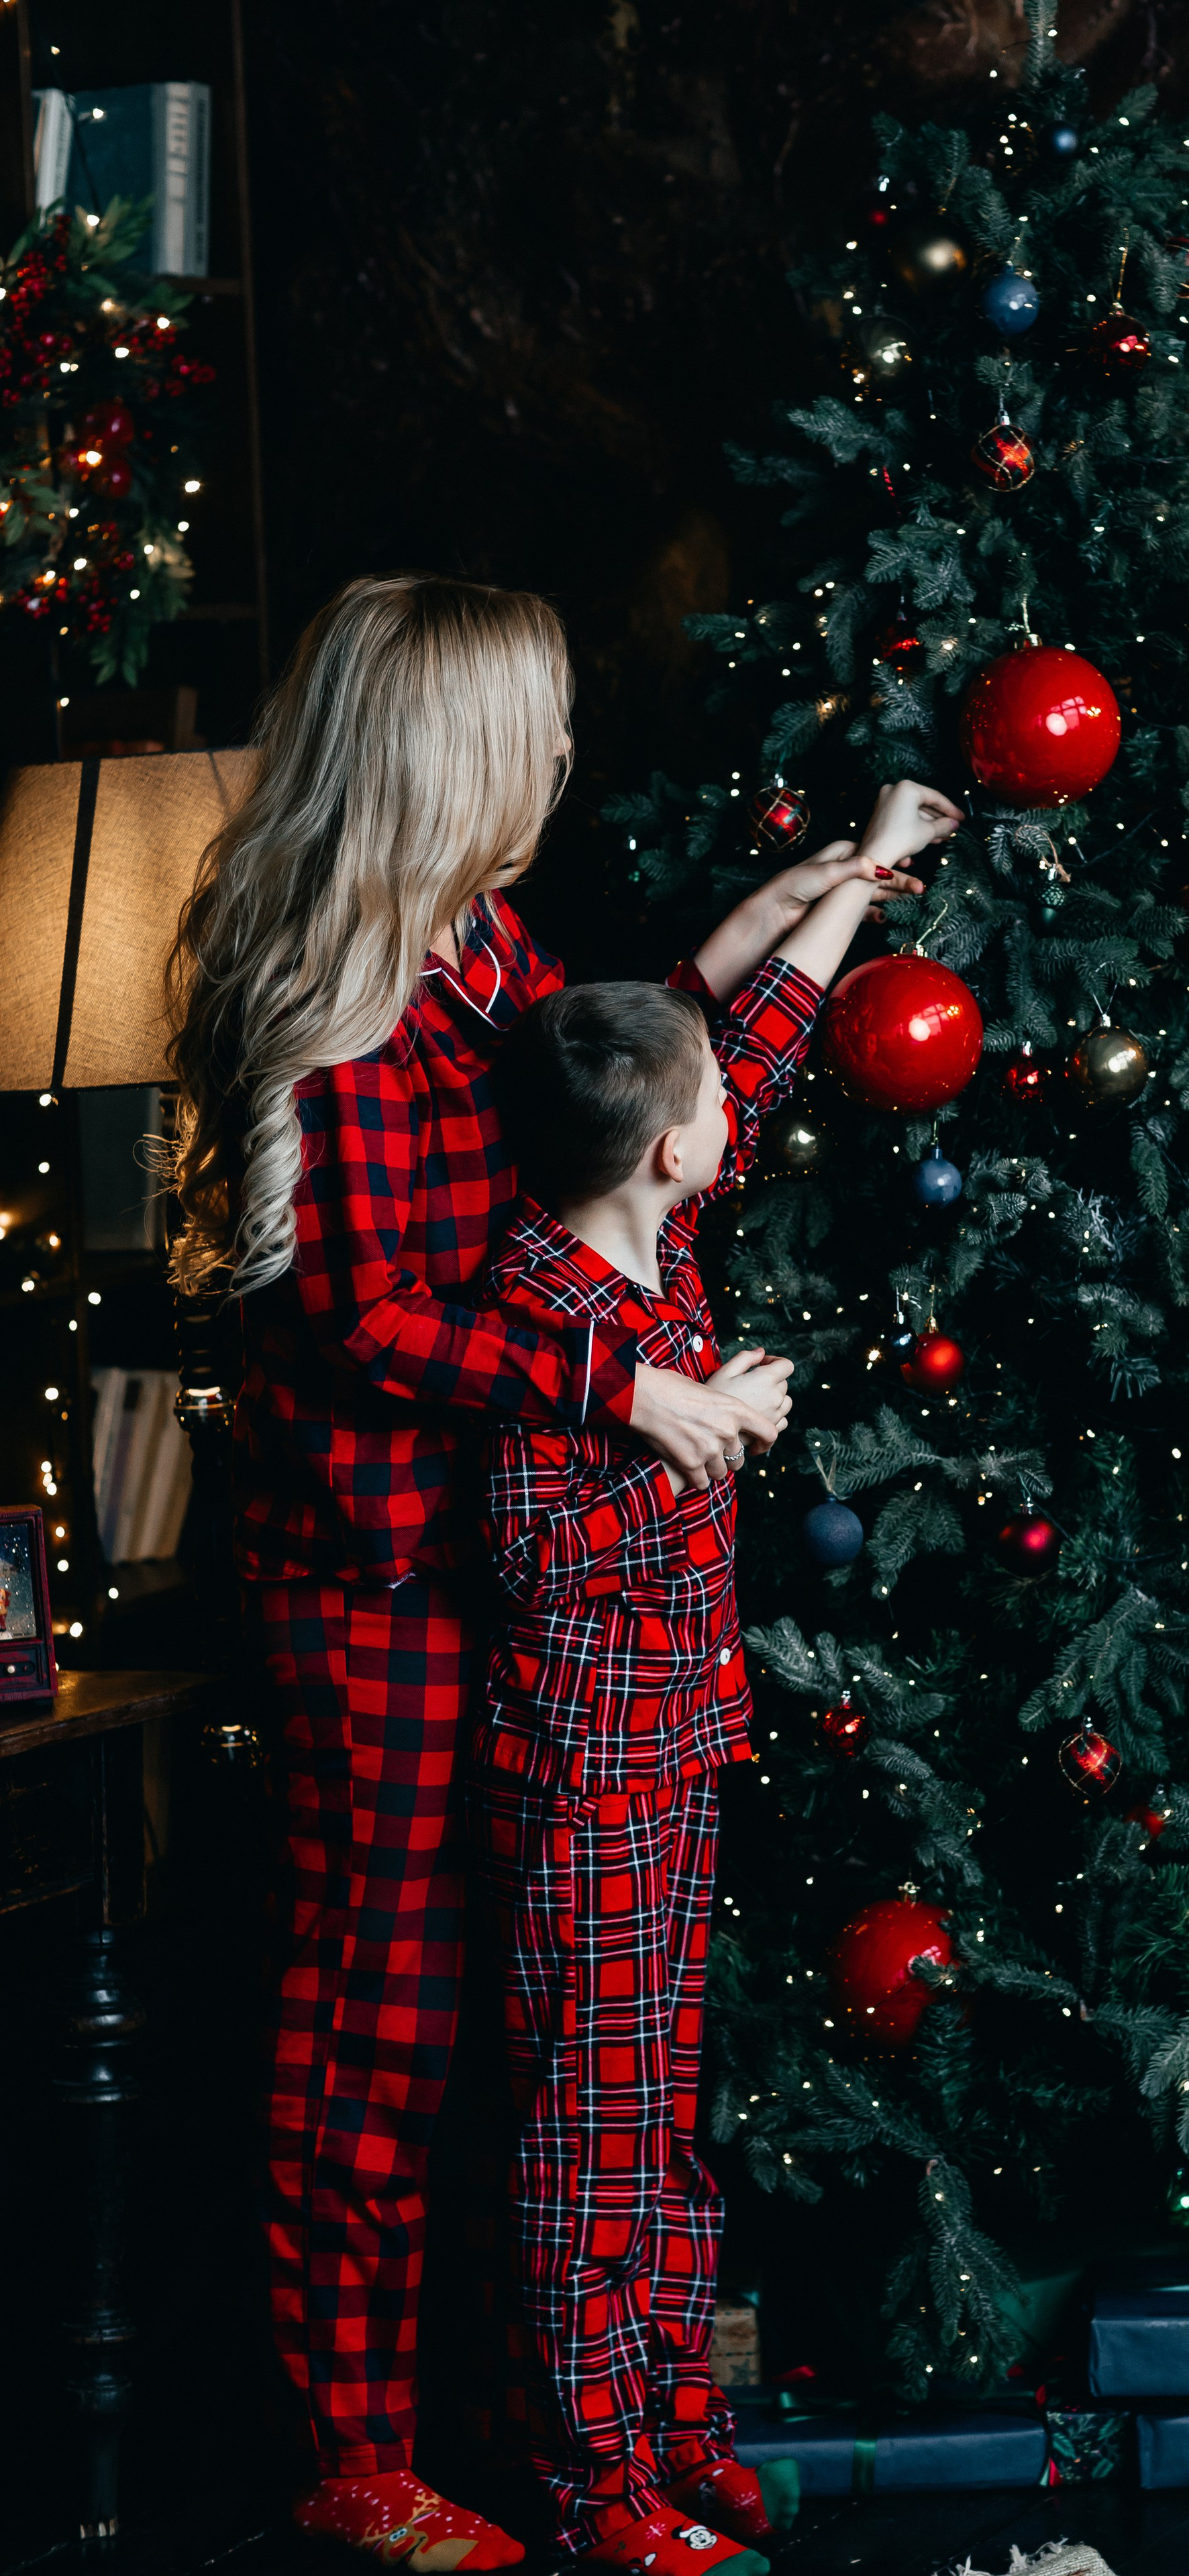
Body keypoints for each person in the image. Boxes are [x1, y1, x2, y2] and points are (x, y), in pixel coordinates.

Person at [165, 568, 953, 2571]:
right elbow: (367, 1315)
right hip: (378, 1585)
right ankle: (358, 2458)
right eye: (540, 736)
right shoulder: (323, 1005)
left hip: (528, 1578)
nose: (566, 766)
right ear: (450, 761)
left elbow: (612, 1107)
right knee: (385, 2014)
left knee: (564, 2034)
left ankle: (571, 2435)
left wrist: (793, 913)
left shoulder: (491, 941)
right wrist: (630, 1389)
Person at [472, 781, 959, 2575]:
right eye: (716, 1117)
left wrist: (865, 877)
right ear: (671, 1153)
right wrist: (705, 1435)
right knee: (587, 2132)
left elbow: (739, 1031)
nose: (735, 1115)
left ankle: (679, 2426)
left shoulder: (649, 1230)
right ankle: (594, 2482)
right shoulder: (552, 1333)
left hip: (670, 1762)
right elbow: (534, 1566)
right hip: (585, 1776)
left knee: (659, 2107)